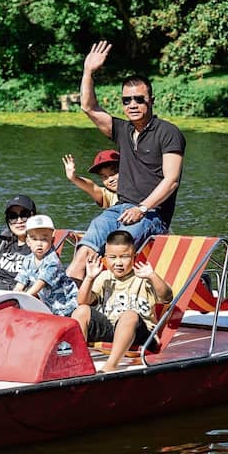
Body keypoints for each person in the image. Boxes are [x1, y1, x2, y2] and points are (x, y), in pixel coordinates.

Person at [66, 40, 186, 281]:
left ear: (151, 99)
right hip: (119, 209)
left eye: (139, 99)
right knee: (82, 255)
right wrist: (88, 71)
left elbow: (171, 180)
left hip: (153, 215)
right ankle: (71, 309)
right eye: (127, 100)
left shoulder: (167, 132)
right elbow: (88, 107)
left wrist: (142, 208)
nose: (132, 104)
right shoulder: (122, 130)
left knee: (119, 246)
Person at [71, 230, 173, 372]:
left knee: (129, 315)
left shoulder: (143, 277)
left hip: (141, 335)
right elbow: (83, 301)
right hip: (112, 330)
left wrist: (153, 276)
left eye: (124, 257)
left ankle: (111, 365)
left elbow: (167, 297)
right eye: (112, 257)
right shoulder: (104, 277)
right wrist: (89, 278)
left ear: (134, 257)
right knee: (82, 310)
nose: (118, 262)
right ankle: (79, 362)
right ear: (105, 258)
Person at [13, 214, 78, 316]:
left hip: (67, 306)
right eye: (34, 239)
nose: (39, 244)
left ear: (52, 241)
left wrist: (24, 297)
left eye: (44, 239)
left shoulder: (53, 261)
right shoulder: (28, 260)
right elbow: (21, 282)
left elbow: (40, 283)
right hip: (49, 305)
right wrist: (14, 295)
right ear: (28, 242)